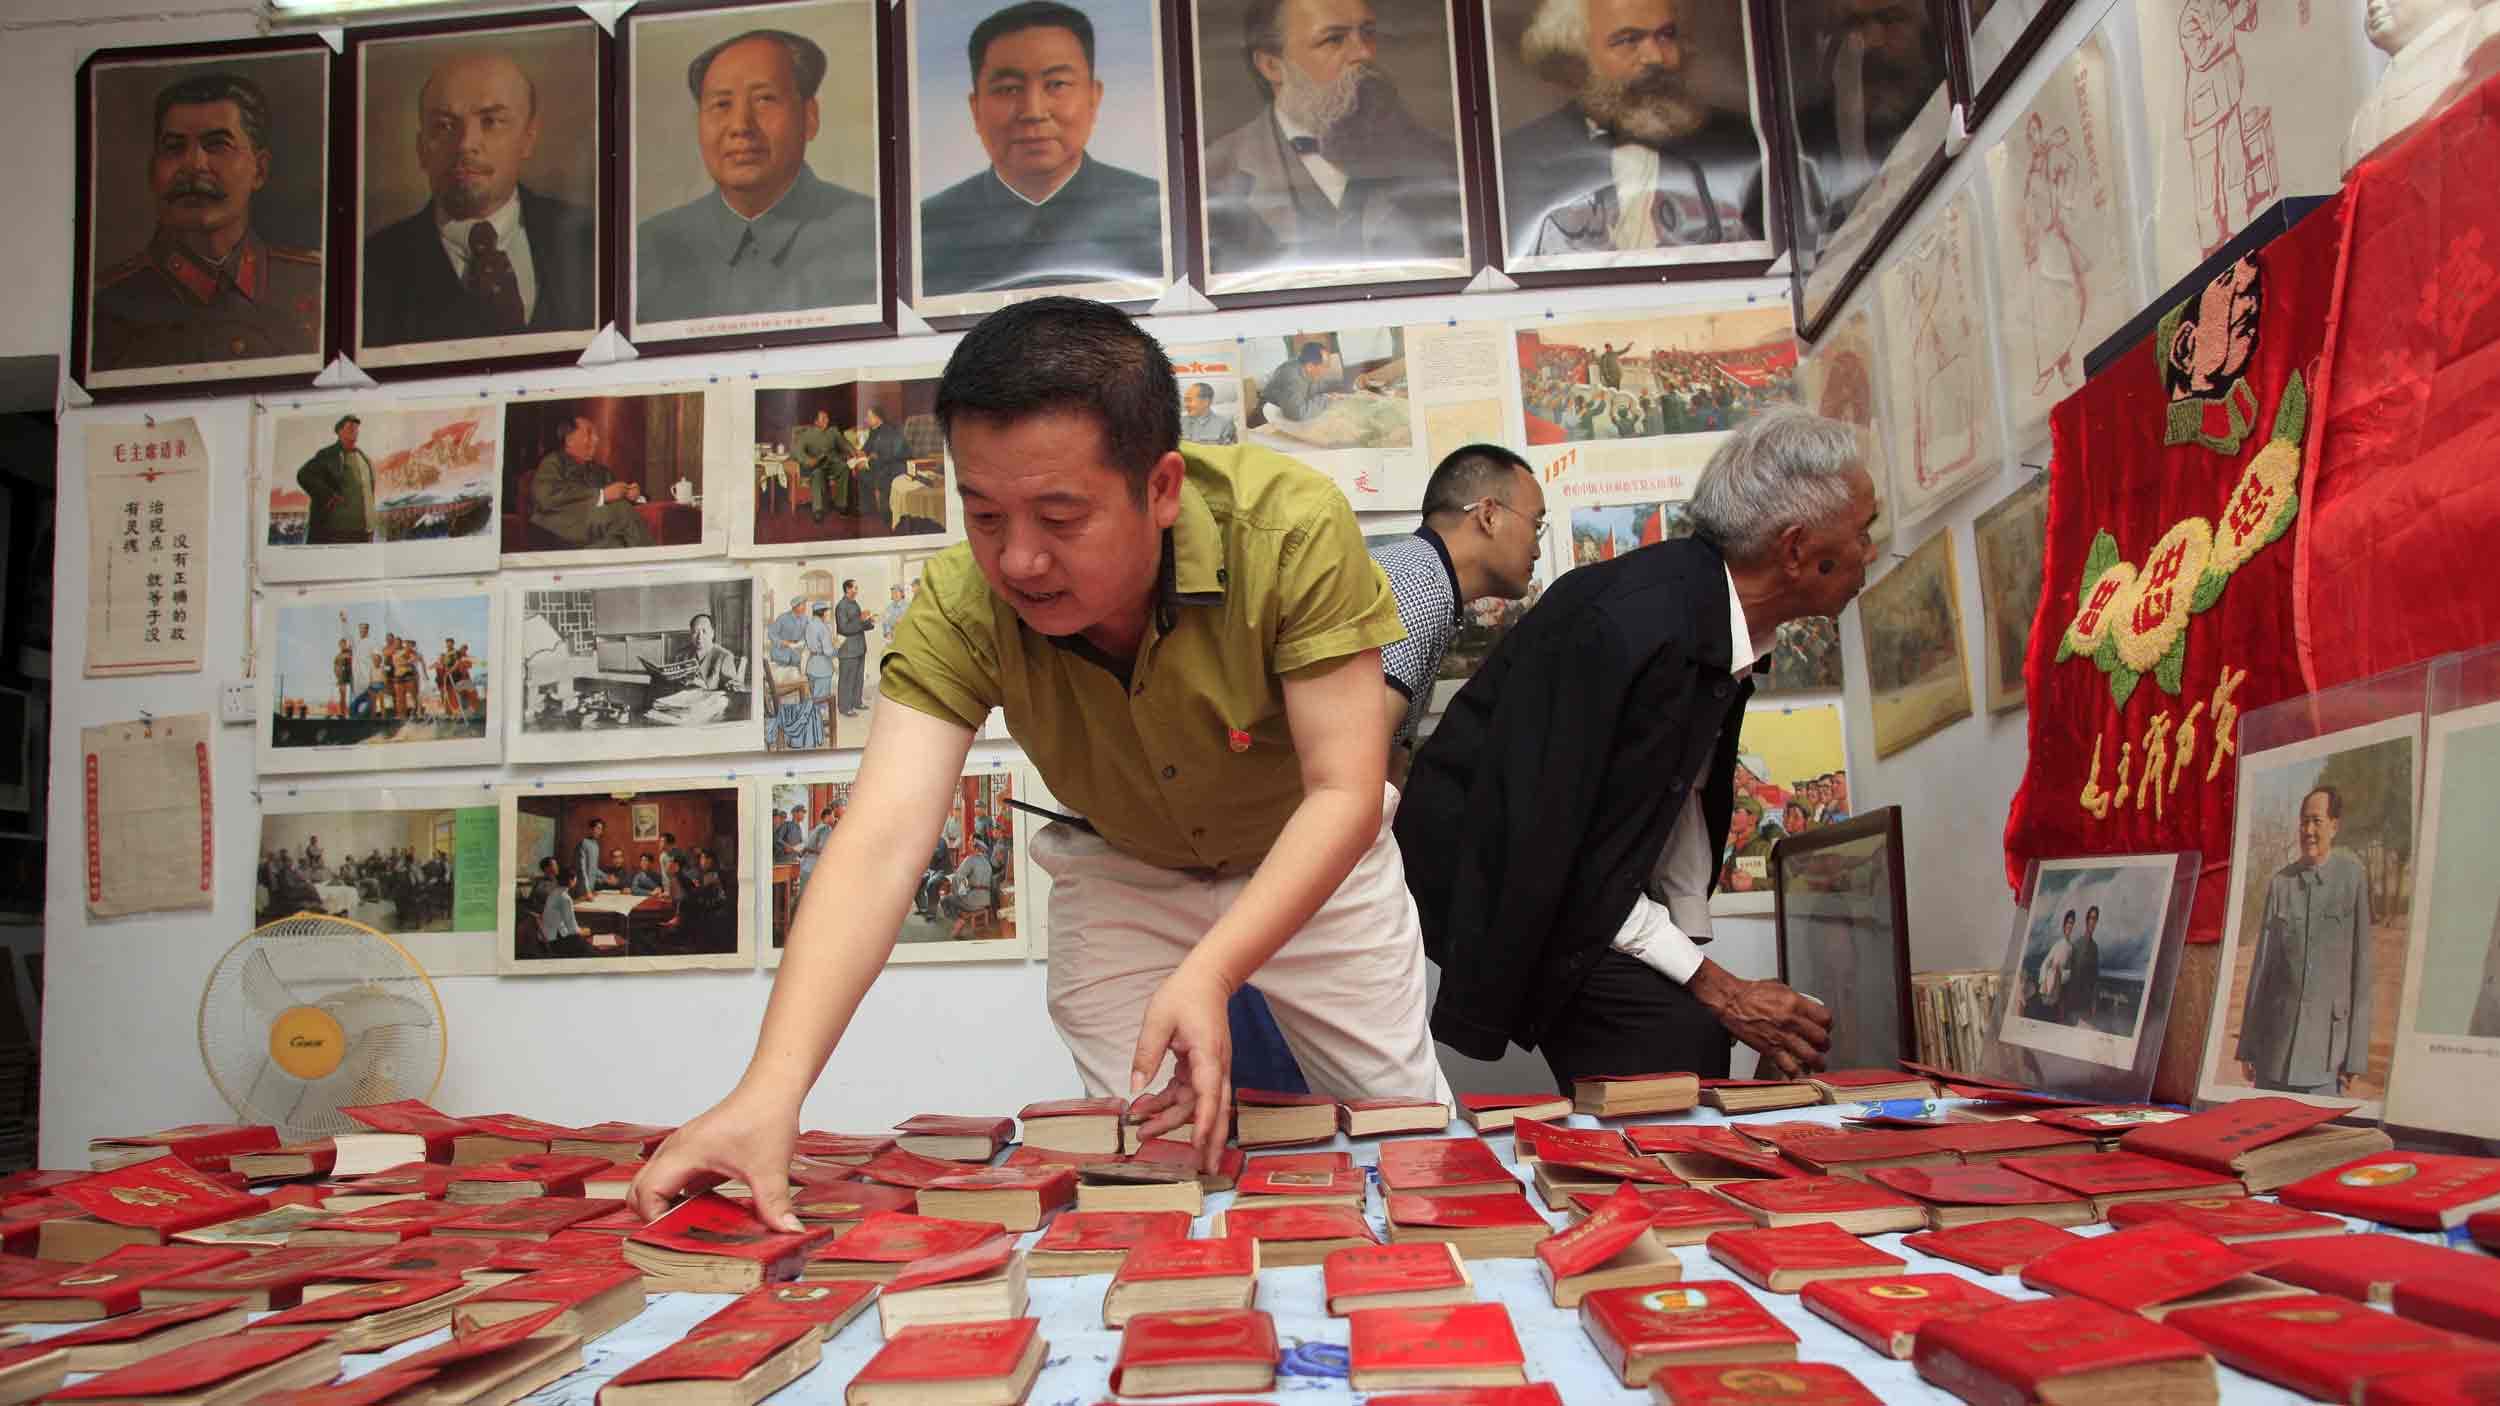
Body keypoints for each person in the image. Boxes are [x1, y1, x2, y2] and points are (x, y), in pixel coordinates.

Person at [629, 296, 1440, 1226]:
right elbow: (883, 839)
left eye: (1061, 516)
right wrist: (771, 1089)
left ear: (1162, 487)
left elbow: (1344, 790)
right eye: (983, 515)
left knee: (1406, 1136)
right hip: (1123, 870)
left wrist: (1214, 970)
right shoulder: (963, 600)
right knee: (1146, 1154)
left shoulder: (1290, 530)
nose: (1017, 560)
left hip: (1312, 861)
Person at [1398, 409, 1870, 1088]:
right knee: (1674, 1038)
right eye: (1864, 532)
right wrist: (1719, 988)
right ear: (1797, 550)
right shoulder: (1637, 623)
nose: (1870, 551)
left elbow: (1665, 814)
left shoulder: (1706, 617)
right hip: (1509, 880)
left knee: (1690, 1032)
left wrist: (1693, 951)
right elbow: (1565, 849)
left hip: (1577, 883)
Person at [916, 1, 1166, 298]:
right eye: (1009, 89)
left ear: (1094, 97)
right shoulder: (927, 231)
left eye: (1057, 84)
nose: (1033, 111)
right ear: (975, 108)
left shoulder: (1156, 213)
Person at [1201, 0, 1463, 279]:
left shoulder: (1438, 160)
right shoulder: (1214, 176)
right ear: (1271, 66)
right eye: (1334, 39)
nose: (1363, 53)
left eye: (1368, 33)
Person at [635, 28, 878, 324]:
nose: (740, 126)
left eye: (764, 99)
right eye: (721, 104)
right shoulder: (647, 249)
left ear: (810, 117)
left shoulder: (873, 232)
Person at [91, 71, 322, 374]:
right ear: (152, 172)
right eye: (174, 148)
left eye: (217, 145)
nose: (194, 165)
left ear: (260, 171)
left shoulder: (314, 284)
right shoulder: (106, 306)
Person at [362, 50, 596, 347]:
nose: (465, 144)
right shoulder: (369, 270)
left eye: (491, 121)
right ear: (421, 148)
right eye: (445, 125)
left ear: (528, 138)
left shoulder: (592, 240)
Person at [1499, 0, 1763, 258]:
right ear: (1576, 56)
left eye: (1666, 35)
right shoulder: (1521, 161)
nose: (1655, 57)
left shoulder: (1742, 147)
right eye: (1627, 40)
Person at [1369, 444, 1546, 776]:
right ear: (1488, 515)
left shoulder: (1422, 577)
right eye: (1536, 525)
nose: (1537, 548)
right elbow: (1356, 764)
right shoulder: (1418, 588)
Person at [2236, 785, 2373, 1095]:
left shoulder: (2352, 880)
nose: (2308, 831)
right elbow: (2262, 971)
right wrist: (2247, 1046)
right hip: (2274, 1052)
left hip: (2326, 1057)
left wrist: (2355, 1057)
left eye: (2317, 821)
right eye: (2303, 822)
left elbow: (2361, 975)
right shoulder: (2281, 884)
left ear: (2334, 826)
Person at [530, 416, 656, 550]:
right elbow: (546, 497)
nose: (596, 439)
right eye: (589, 433)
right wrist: (602, 495)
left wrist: (633, 495)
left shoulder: (600, 471)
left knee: (614, 544)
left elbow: (621, 497)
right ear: (570, 440)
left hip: (594, 532)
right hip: (562, 527)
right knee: (620, 510)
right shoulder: (553, 462)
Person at [297, 415, 377, 547]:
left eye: (356, 429)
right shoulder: (328, 454)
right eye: (350, 428)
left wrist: (371, 525)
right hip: (337, 532)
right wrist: (328, 495)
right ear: (339, 431)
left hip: (364, 532)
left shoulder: (363, 457)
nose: (355, 431)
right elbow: (304, 475)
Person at [791, 408, 847, 522]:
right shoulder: (806, 434)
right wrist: (808, 460)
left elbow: (844, 444)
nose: (827, 420)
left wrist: (854, 451)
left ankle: (841, 504)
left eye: (827, 417)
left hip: (832, 464)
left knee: (844, 468)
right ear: (816, 422)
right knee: (817, 474)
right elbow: (795, 450)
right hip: (817, 465)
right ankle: (818, 510)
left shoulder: (833, 431)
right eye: (824, 418)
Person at [1260, 341, 1337, 424]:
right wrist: (1326, 400)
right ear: (1310, 367)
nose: (1327, 370)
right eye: (1325, 366)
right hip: (1266, 418)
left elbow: (1316, 386)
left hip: (1283, 413)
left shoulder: (1305, 369)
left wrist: (1337, 386)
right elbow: (1298, 414)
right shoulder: (1291, 377)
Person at [859, 406, 909, 524]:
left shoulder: (887, 430)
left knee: (878, 473)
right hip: (880, 462)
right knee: (861, 472)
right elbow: (867, 448)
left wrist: (868, 461)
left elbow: (886, 456)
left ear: (878, 418)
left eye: (869, 416)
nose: (866, 419)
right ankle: (867, 508)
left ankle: (886, 512)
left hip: (893, 464)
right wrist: (861, 453)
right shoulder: (873, 430)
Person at [833, 579, 872, 716]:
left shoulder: (854, 604)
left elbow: (858, 625)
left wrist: (869, 622)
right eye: (855, 588)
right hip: (848, 650)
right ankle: (845, 708)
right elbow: (844, 628)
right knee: (847, 680)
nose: (857, 590)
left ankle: (857, 702)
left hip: (859, 648)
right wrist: (861, 619)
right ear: (848, 589)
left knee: (858, 678)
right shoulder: (841, 606)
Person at [2062, 904, 2103, 1027]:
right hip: (2073, 1004)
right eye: (2091, 918)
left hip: (2086, 1005)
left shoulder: (2095, 948)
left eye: (2095, 919)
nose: (2092, 922)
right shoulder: (2076, 945)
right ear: (2086, 920)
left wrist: (2094, 1003)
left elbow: (2095, 977)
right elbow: (2069, 974)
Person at [945, 844, 997, 936]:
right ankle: (961, 919)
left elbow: (959, 876)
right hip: (986, 901)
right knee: (959, 895)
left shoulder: (970, 859)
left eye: (971, 845)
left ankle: (958, 921)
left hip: (973, 903)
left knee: (946, 899)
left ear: (975, 849)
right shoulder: (987, 863)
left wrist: (959, 892)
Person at [2032, 910, 2075, 1017]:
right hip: (2048, 984)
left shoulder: (2071, 948)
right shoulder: (2058, 944)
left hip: (2058, 987)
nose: (2070, 925)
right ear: (2064, 925)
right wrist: (2044, 981)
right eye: (2068, 922)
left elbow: (2070, 970)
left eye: (2072, 923)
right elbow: (2045, 963)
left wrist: (2060, 974)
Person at [541, 866, 584, 953]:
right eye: (575, 878)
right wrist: (582, 931)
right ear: (571, 880)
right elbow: (571, 926)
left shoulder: (554, 893)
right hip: (557, 940)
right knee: (586, 946)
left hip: (548, 935)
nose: (576, 880)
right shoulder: (565, 898)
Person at [577, 819, 613, 892]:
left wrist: (606, 877)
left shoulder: (596, 845)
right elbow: (581, 869)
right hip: (583, 887)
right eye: (598, 828)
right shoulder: (584, 843)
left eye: (601, 829)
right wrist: (587, 889)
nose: (600, 832)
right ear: (591, 829)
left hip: (591, 887)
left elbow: (593, 868)